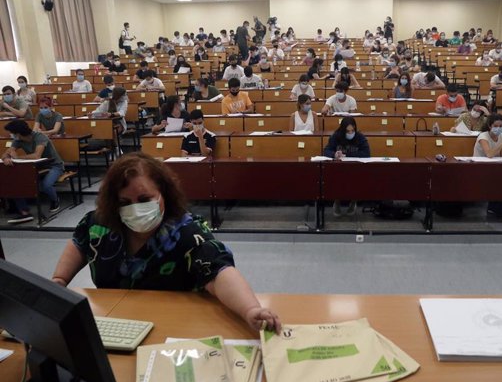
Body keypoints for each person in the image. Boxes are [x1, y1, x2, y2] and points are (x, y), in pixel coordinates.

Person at [50, 152, 281, 332]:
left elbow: (219, 271)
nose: (135, 209)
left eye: (144, 199)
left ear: (163, 194)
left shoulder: (187, 232)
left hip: (171, 331)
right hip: (114, 326)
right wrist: (59, 281)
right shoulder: (99, 224)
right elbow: (80, 244)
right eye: (124, 202)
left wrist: (250, 309)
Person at [2, 119, 63, 223]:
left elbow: (36, 155)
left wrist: (18, 158)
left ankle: (55, 200)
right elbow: (5, 154)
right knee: (13, 181)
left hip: (54, 165)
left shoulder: (40, 137)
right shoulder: (18, 140)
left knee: (46, 185)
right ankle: (25, 212)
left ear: (18, 133)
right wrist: (6, 158)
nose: (11, 135)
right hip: (35, 166)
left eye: (12, 133)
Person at [323, 117, 370, 216]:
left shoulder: (360, 137)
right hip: (339, 168)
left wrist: (347, 155)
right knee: (336, 176)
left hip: (355, 169)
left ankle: (353, 201)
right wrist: (334, 154)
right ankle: (337, 201)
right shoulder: (336, 136)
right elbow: (326, 151)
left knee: (356, 178)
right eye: (348, 131)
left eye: (352, 130)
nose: (350, 133)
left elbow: (366, 153)